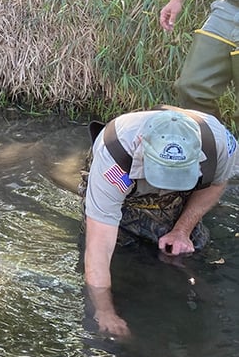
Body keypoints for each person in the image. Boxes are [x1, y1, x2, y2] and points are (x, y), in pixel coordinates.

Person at [82, 107, 238, 338]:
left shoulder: (220, 144)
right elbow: (98, 247)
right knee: (122, 250)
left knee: (190, 250)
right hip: (127, 180)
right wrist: (104, 312)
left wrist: (181, 231)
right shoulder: (114, 157)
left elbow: (216, 184)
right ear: (140, 143)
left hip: (182, 192)